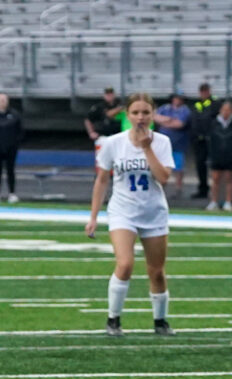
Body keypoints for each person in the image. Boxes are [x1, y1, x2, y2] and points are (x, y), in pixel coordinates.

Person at [87, 93, 179, 337]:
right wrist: (93, 216)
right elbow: (102, 180)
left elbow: (163, 178)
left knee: (156, 271)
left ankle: (160, 321)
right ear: (127, 115)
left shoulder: (162, 142)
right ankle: (113, 319)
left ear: (153, 115)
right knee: (125, 264)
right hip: (122, 212)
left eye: (145, 112)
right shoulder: (113, 143)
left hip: (153, 212)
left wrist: (147, 149)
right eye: (135, 112)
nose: (140, 117)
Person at [204, 100, 232, 211]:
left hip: (230, 156)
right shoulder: (214, 123)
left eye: (228, 110)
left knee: (229, 179)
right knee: (215, 179)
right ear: (220, 110)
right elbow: (210, 140)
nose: (226, 112)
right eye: (224, 110)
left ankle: (228, 202)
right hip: (216, 156)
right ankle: (214, 202)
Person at [0, 93, 24, 203]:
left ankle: (12, 193)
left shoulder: (14, 115)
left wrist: (14, 144)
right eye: (0, 100)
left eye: (4, 100)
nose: (2, 102)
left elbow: (20, 131)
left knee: (10, 171)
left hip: (11, 148)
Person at [154, 94, 194, 195]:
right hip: (163, 144)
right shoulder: (165, 108)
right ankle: (160, 186)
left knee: (178, 167)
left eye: (179, 99)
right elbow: (155, 117)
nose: (177, 100)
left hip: (178, 143)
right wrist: (169, 120)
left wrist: (164, 122)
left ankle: (178, 188)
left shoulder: (185, 110)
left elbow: (179, 124)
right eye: (176, 98)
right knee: (161, 165)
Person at [189, 83, 218, 199]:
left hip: (211, 139)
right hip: (199, 140)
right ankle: (203, 189)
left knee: (215, 166)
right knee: (200, 165)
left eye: (206, 91)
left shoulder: (215, 103)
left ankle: (216, 191)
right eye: (202, 91)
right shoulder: (197, 104)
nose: (204, 93)